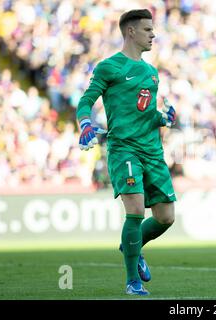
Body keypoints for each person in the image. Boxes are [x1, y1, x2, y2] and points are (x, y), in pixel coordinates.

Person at [76, 9, 177, 296]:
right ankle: (132, 282)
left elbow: (146, 115)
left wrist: (164, 117)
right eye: (147, 30)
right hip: (124, 150)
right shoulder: (109, 67)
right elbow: (86, 101)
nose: (153, 34)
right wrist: (86, 124)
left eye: (153, 30)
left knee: (166, 217)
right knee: (134, 210)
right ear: (130, 31)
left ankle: (132, 245)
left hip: (152, 151)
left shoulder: (151, 73)